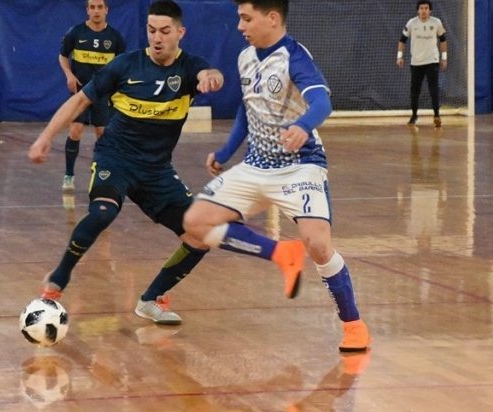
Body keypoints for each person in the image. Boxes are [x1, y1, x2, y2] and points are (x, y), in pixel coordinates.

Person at [182, 0, 371, 352]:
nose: (240, 26)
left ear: (272, 18)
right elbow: (247, 109)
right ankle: (281, 253)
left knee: (317, 244)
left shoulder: (295, 56)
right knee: (195, 222)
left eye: (246, 18)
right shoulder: (245, 57)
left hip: (300, 164)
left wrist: (303, 125)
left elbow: (322, 104)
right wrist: (224, 153)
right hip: (256, 165)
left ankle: (354, 325)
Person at [28, 0, 227, 325]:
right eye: (151, 30)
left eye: (165, 31)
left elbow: (209, 72)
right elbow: (79, 100)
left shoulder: (190, 68)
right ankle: (58, 278)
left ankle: (150, 300)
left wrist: (212, 77)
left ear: (180, 32)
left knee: (201, 236)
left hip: (157, 170)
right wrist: (45, 137)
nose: (157, 38)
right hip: (116, 158)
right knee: (103, 211)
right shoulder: (125, 66)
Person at [58, 0, 126, 191]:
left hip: (103, 93)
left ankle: (101, 172)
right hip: (80, 92)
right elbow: (63, 56)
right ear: (87, 10)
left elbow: (121, 65)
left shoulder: (115, 37)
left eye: (100, 7)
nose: (96, 11)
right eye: (93, 7)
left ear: (106, 10)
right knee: (75, 130)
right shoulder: (76, 32)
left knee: (102, 135)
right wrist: (69, 74)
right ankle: (69, 175)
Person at [397, 0, 447, 127]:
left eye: (426, 8)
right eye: (421, 8)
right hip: (416, 63)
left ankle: (436, 116)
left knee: (433, 90)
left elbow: (443, 40)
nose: (424, 11)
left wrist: (444, 58)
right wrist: (399, 56)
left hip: (432, 61)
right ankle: (414, 116)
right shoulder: (411, 23)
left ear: (430, 10)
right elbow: (402, 40)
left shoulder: (436, 23)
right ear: (417, 10)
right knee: (414, 91)